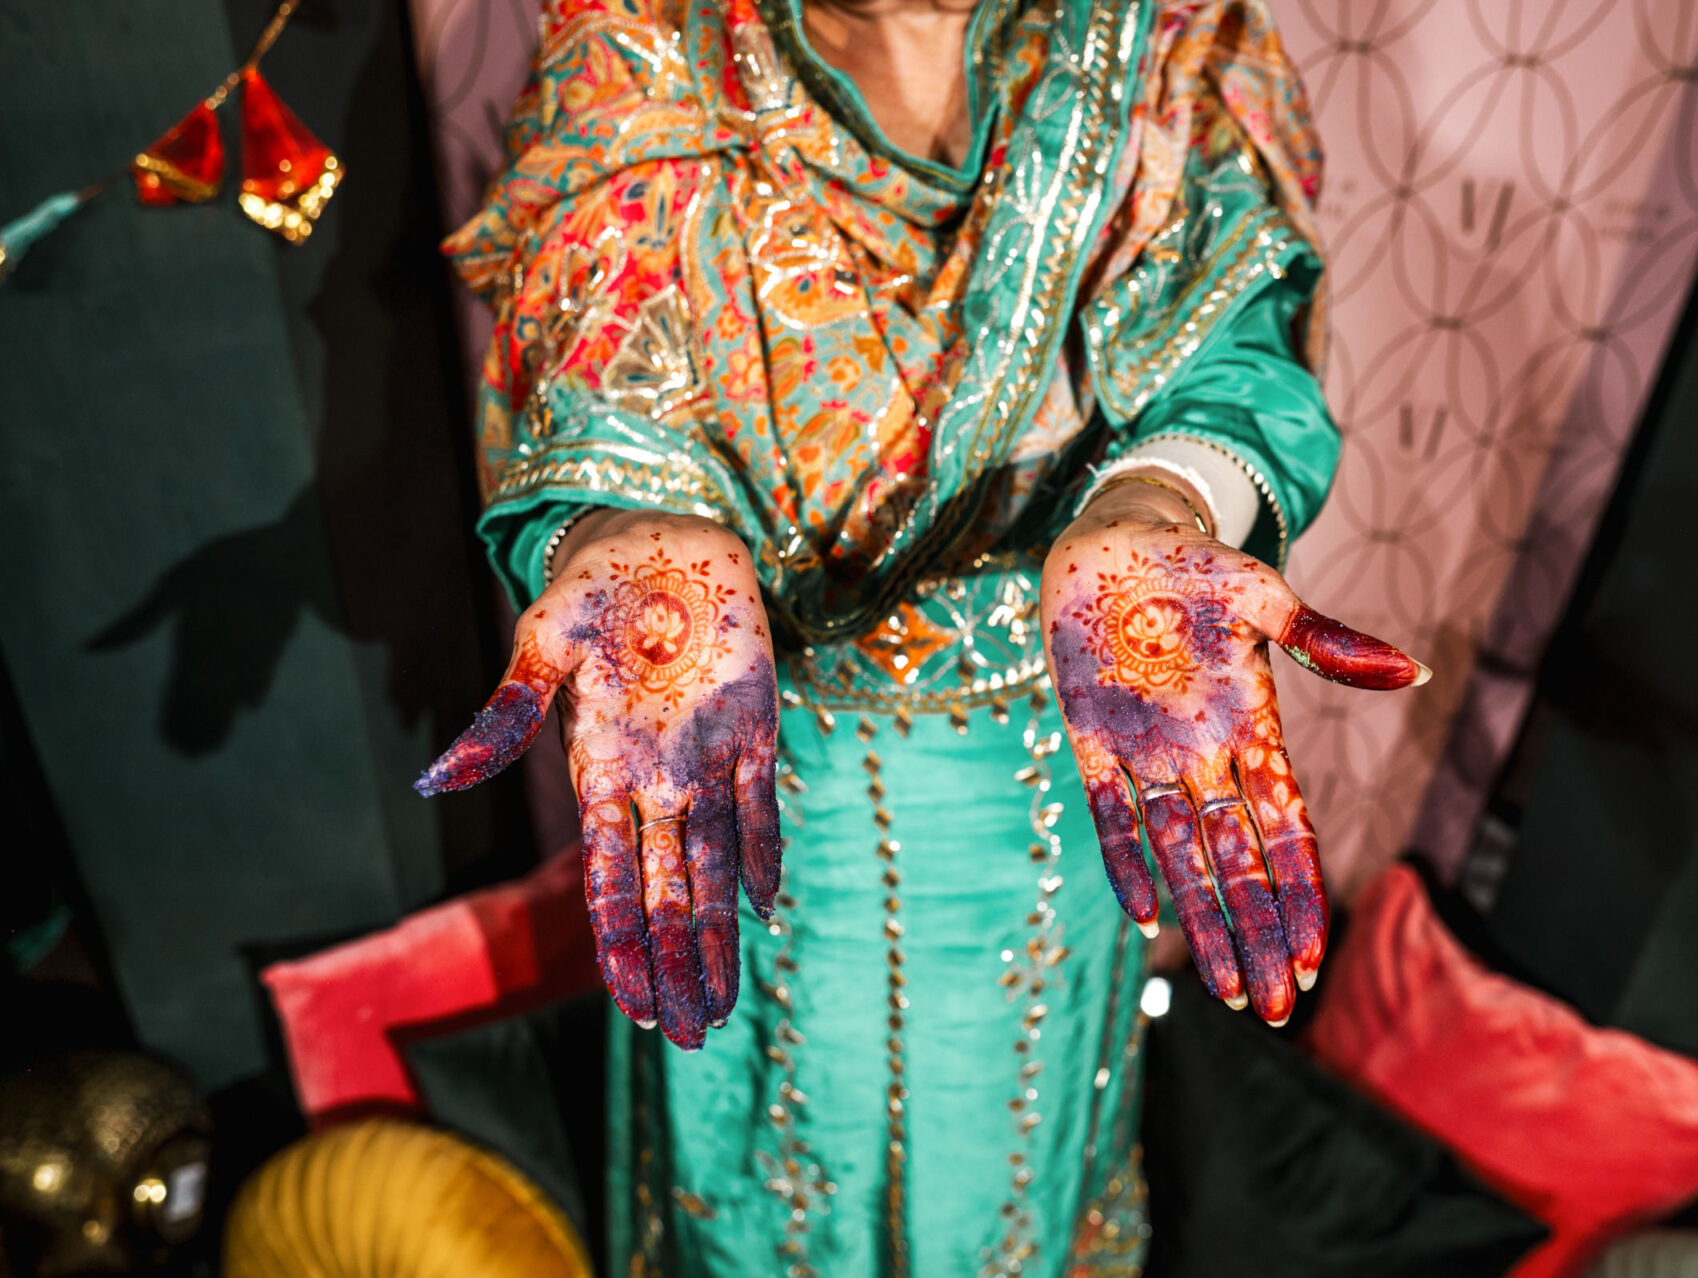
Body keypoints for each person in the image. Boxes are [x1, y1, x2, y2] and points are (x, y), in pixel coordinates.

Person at [417, 0, 1427, 1271]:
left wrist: (1159, 508)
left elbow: (1234, 346)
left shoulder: (1156, 37)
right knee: (767, 1181)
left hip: (1063, 777)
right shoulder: (641, 48)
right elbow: (593, 373)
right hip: (750, 772)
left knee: (1020, 1164)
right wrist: (623, 539)